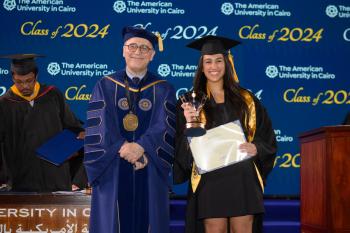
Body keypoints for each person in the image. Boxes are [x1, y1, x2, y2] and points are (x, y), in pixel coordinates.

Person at [173, 36, 277, 233]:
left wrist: (256, 147)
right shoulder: (190, 102)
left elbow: (267, 137)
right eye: (208, 61)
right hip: (210, 178)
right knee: (214, 228)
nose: (214, 66)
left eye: (219, 60)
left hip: (242, 175)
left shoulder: (247, 100)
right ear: (201, 66)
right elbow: (181, 147)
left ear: (227, 63)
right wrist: (189, 123)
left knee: (243, 228)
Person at [84, 26, 176, 233]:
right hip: (113, 166)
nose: (138, 51)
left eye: (145, 48)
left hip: (149, 165)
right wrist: (123, 147)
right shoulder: (105, 85)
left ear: (152, 55)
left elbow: (166, 126)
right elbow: (100, 124)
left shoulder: (164, 88)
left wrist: (142, 148)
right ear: (123, 50)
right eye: (132, 46)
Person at [0, 54, 86, 192]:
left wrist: (80, 134)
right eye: (19, 82)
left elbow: (72, 126)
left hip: (55, 175)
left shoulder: (52, 94)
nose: (25, 86)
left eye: (29, 80)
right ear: (12, 78)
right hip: (21, 179)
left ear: (36, 76)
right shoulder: (4, 104)